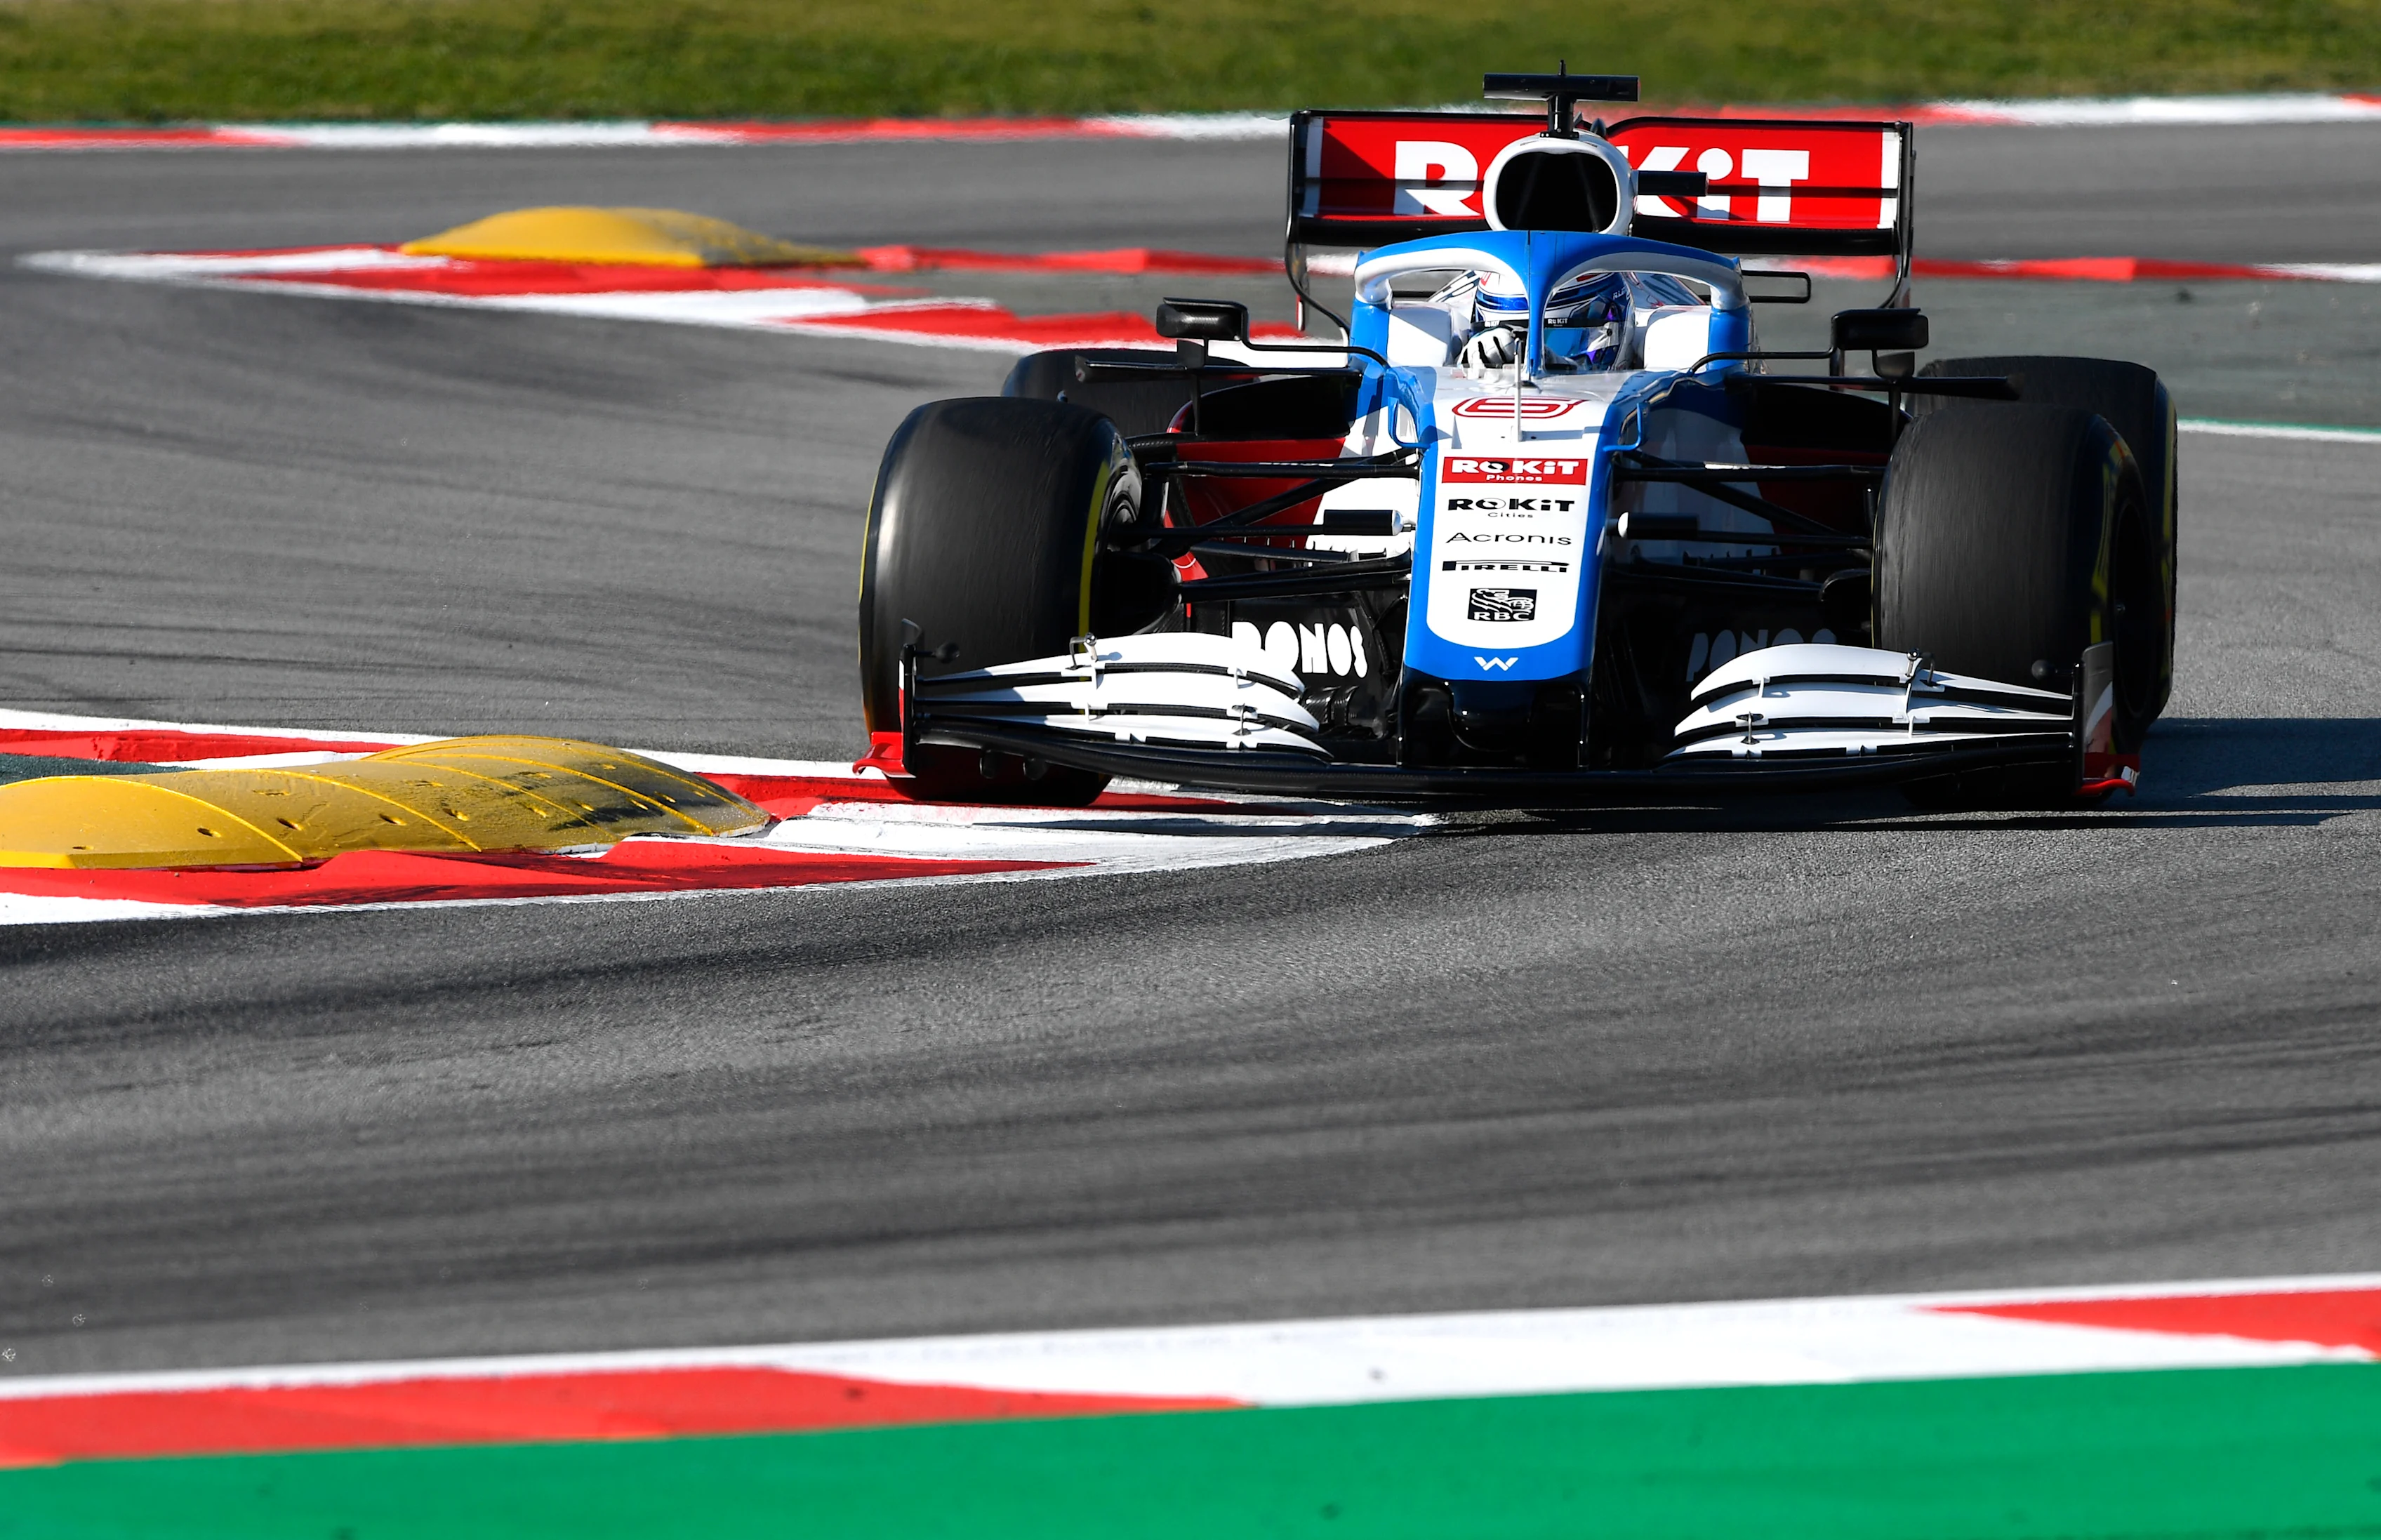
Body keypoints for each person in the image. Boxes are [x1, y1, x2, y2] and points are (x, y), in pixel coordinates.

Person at [1436, 265, 1702, 378]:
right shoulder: (1447, 322)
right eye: (1515, 342)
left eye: (1560, 337)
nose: (1529, 363)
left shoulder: (1667, 330)